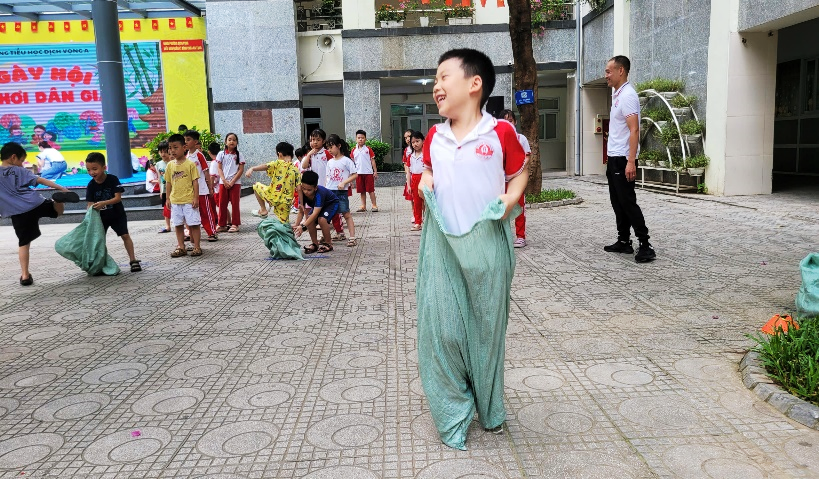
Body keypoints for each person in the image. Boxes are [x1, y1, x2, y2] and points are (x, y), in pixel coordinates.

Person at [417, 48, 527, 450]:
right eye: (435, 79)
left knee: (487, 332)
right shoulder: (435, 136)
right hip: (445, 248)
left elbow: (519, 174)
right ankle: (455, 407)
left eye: (444, 76)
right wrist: (424, 184)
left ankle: (489, 404)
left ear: (474, 83)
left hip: (487, 248)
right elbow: (429, 171)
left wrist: (510, 200)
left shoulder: (499, 133)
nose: (437, 85)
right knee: (443, 331)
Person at [0, 142, 80, 285]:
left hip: (18, 213)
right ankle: (56, 201)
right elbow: (41, 180)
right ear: (13, 157)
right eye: (21, 161)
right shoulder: (20, 171)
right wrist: (62, 189)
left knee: (24, 243)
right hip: (35, 203)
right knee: (57, 212)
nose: (21, 164)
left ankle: (25, 275)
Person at [603, 55, 656, 263]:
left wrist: (631, 161)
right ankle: (624, 241)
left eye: (609, 71)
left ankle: (645, 244)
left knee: (628, 203)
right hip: (614, 157)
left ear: (621, 71)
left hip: (624, 159)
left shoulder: (628, 96)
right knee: (618, 202)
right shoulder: (617, 94)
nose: (606, 75)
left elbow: (634, 130)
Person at [85, 152, 141, 272]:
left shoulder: (112, 179)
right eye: (88, 170)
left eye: (95, 169)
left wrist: (103, 203)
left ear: (104, 167)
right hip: (100, 218)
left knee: (125, 235)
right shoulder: (91, 185)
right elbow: (89, 204)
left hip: (117, 214)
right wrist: (89, 215)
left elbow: (117, 198)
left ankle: (133, 260)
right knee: (99, 240)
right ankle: (100, 263)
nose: (92, 173)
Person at [301, 129, 344, 238]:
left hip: (328, 186)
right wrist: (309, 155)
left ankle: (340, 232)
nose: (314, 142)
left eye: (318, 140)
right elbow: (304, 166)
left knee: (333, 210)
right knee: (320, 212)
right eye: (312, 140)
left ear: (323, 141)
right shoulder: (310, 155)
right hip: (316, 188)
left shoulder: (326, 153)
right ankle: (325, 235)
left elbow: (336, 164)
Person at [165, 134, 202, 257]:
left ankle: (197, 246)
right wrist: (168, 198)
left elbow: (195, 182)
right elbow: (169, 183)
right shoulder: (170, 165)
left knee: (194, 224)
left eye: (175, 147)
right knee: (178, 224)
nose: (172, 151)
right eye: (170, 148)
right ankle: (181, 247)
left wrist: (196, 197)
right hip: (175, 201)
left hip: (189, 200)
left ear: (184, 147)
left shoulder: (190, 164)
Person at [246, 141, 301, 223]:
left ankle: (263, 210)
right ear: (292, 155)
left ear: (280, 154)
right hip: (285, 202)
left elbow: (265, 166)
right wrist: (301, 203)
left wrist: (252, 168)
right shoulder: (296, 169)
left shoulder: (277, 163)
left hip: (271, 196)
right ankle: (287, 234)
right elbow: (299, 188)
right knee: (284, 225)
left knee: (256, 185)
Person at [500, 109, 530, 248]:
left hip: (517, 180)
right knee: (501, 209)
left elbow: (527, 157)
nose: (508, 123)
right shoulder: (495, 140)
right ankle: (501, 237)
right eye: (505, 121)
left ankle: (520, 236)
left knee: (519, 208)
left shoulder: (521, 138)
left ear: (515, 122)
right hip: (501, 181)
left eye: (510, 120)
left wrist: (519, 171)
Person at [184, 130, 218, 240]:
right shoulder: (186, 156)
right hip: (191, 191)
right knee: (192, 213)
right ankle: (192, 234)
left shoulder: (199, 155)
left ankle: (212, 232)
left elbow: (206, 171)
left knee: (206, 212)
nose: (186, 142)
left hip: (202, 190)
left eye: (188, 140)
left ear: (195, 141)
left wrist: (210, 187)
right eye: (185, 140)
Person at [293, 170, 338, 254]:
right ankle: (315, 243)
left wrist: (303, 227)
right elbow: (301, 211)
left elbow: (315, 213)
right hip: (318, 207)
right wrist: (296, 225)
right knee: (309, 219)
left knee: (322, 219)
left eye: (309, 190)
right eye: (303, 188)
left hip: (331, 204)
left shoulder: (319, 193)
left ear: (315, 188)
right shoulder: (302, 194)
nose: (306, 192)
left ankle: (328, 243)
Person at [325, 134, 358, 247]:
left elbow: (355, 175)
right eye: (328, 148)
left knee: (346, 214)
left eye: (331, 147)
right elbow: (327, 178)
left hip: (341, 192)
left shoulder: (346, 160)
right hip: (330, 191)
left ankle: (352, 237)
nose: (329, 150)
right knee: (326, 215)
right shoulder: (329, 162)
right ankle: (325, 237)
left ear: (338, 146)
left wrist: (344, 183)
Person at [216, 133, 245, 233]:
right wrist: (224, 180)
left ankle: (235, 224)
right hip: (223, 183)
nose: (231, 141)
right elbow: (219, 168)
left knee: (235, 204)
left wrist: (232, 181)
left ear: (237, 143)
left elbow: (241, 170)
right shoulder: (221, 154)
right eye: (229, 139)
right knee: (222, 203)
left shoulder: (239, 155)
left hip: (235, 183)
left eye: (234, 140)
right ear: (225, 142)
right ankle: (222, 224)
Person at [352, 130, 379, 212]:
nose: (360, 139)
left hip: (368, 173)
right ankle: (363, 206)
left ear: (365, 139)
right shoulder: (354, 150)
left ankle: (374, 205)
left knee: (371, 190)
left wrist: (375, 171)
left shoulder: (368, 149)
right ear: (356, 139)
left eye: (362, 138)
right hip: (358, 173)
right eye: (359, 138)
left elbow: (372, 161)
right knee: (362, 191)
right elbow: (352, 163)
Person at [406, 130, 425, 231]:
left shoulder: (426, 154)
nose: (415, 144)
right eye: (413, 142)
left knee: (427, 202)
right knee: (416, 202)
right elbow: (409, 172)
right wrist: (409, 185)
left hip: (425, 178)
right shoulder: (411, 157)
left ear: (422, 141)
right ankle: (418, 222)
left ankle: (428, 221)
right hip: (414, 180)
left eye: (417, 141)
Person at [206, 141, 225, 227]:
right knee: (222, 206)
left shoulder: (214, 163)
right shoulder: (222, 160)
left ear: (209, 152)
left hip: (217, 188)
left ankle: (223, 222)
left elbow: (212, 177)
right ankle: (227, 221)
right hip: (223, 185)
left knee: (220, 206)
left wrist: (210, 187)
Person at [156, 141, 172, 233]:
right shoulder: (158, 164)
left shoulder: (173, 162)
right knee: (166, 207)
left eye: (165, 152)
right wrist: (160, 191)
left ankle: (186, 226)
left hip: (174, 189)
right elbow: (159, 178)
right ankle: (167, 226)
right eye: (161, 152)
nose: (163, 154)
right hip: (164, 189)